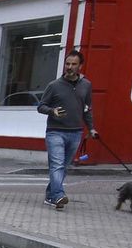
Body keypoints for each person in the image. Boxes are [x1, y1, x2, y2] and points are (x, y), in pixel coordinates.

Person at [37, 49, 97, 210]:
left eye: (73, 64)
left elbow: (87, 109)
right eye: (67, 63)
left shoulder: (86, 85)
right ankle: (58, 195)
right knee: (56, 165)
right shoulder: (54, 85)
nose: (69, 67)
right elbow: (41, 106)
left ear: (80, 66)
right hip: (55, 131)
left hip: (76, 132)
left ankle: (51, 195)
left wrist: (91, 129)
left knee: (63, 166)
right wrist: (52, 111)